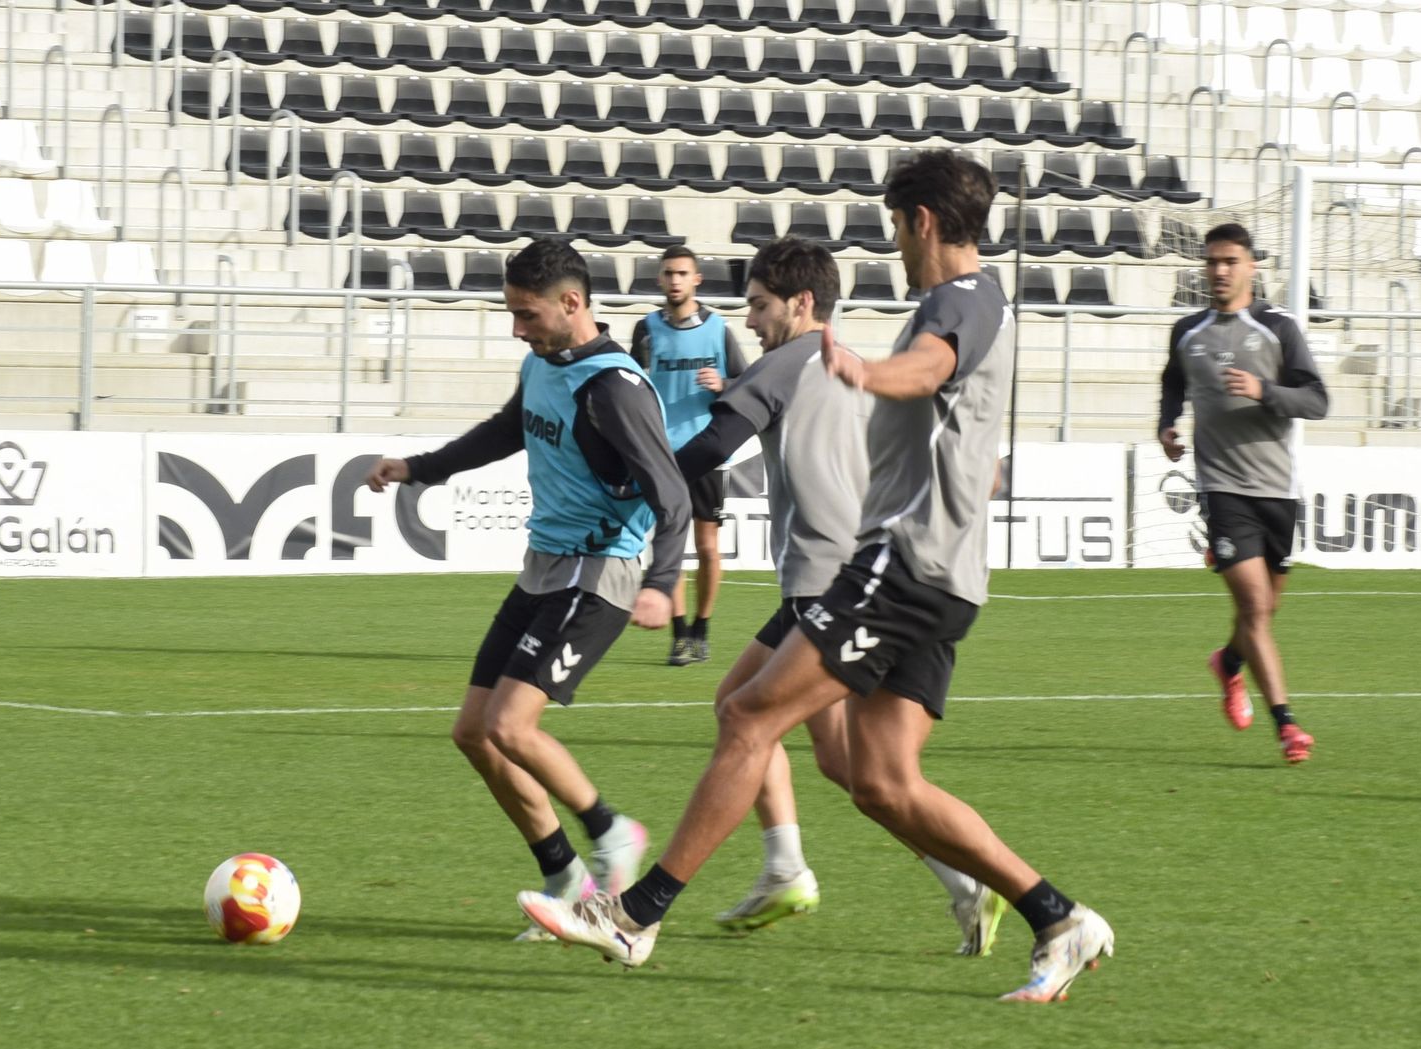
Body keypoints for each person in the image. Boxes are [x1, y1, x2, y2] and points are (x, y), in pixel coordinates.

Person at [519, 151, 1114, 1004]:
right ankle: (1057, 916)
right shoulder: (975, 304)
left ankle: (637, 914)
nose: (894, 244)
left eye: (895, 225)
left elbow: (932, 367)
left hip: (903, 564)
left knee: (749, 713)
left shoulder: (959, 300)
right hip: (938, 573)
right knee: (881, 781)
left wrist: (871, 372)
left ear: (922, 223)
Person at [668, 237, 1005, 954]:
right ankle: (832, 870)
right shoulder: (846, 362)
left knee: (769, 728)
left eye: (758, 305)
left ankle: (816, 871)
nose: (750, 321)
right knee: (825, 753)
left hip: (829, 575)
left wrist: (632, 474)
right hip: (845, 567)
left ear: (801, 303)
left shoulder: (792, 362)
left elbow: (709, 449)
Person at [364, 239, 689, 941]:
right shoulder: (543, 364)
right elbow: (504, 433)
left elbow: (673, 495)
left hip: (599, 572)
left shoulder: (614, 388)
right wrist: (415, 467)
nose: (517, 328)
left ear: (572, 303)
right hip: (545, 566)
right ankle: (564, 874)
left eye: (526, 314)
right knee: (474, 734)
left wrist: (662, 583)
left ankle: (612, 834)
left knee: (511, 726)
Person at [1157, 222, 1330, 764]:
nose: (1219, 271)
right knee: (1254, 605)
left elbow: (1318, 401)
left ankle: (1229, 663)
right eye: (1211, 262)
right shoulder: (1188, 331)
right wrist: (1167, 425)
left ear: (1253, 266)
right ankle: (1288, 725)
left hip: (1276, 488)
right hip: (1221, 486)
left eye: (1230, 261)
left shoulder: (1280, 329)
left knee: (1265, 611)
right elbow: (1172, 381)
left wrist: (1265, 391)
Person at [630, 246, 748, 667]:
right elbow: (632, 385)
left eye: (682, 273)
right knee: (671, 544)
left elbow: (747, 380)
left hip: (708, 450)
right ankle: (680, 635)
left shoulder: (718, 329)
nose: (675, 280)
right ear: (660, 279)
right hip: (663, 452)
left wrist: (724, 383)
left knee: (709, 547)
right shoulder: (645, 329)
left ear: (697, 279)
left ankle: (702, 629)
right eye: (668, 273)